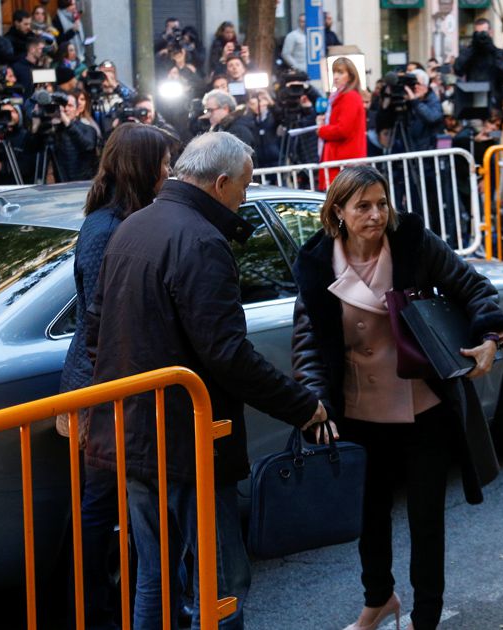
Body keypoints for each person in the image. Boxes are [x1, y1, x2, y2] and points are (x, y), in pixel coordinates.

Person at [85, 131, 328, 630]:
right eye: (243, 187)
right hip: (185, 445)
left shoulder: (133, 225)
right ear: (219, 183)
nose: (245, 198)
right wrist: (303, 406)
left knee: (155, 574)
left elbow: (96, 329)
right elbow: (228, 354)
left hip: (133, 434)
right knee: (220, 583)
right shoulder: (200, 240)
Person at [291, 166, 503, 630]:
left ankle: (426, 616)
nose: (376, 215)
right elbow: (309, 343)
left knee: (426, 519)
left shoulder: (412, 240)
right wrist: (316, 400)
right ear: (338, 212)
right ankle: (379, 600)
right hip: (358, 412)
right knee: (370, 519)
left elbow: (471, 286)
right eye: (363, 206)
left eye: (381, 203)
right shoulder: (315, 263)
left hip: (423, 407)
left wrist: (490, 335)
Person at [59, 124, 175, 630]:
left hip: (110, 383)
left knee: (112, 502)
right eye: (164, 163)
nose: (169, 172)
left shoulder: (121, 219)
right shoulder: (106, 227)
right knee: (101, 502)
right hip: (101, 385)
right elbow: (99, 315)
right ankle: (92, 609)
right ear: (143, 168)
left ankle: (115, 603)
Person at [317, 57, 367, 185]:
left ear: (350, 76)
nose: (335, 77)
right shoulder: (340, 97)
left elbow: (343, 130)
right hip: (341, 162)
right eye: (334, 72)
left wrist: (322, 130)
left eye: (340, 72)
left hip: (344, 162)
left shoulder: (349, 97)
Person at [453, 18, 503, 109]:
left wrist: (492, 49)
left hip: (493, 99)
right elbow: (458, 69)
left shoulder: (497, 53)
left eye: (484, 33)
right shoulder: (469, 53)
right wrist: (473, 47)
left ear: (490, 33)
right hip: (473, 99)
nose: (481, 37)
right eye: (477, 33)